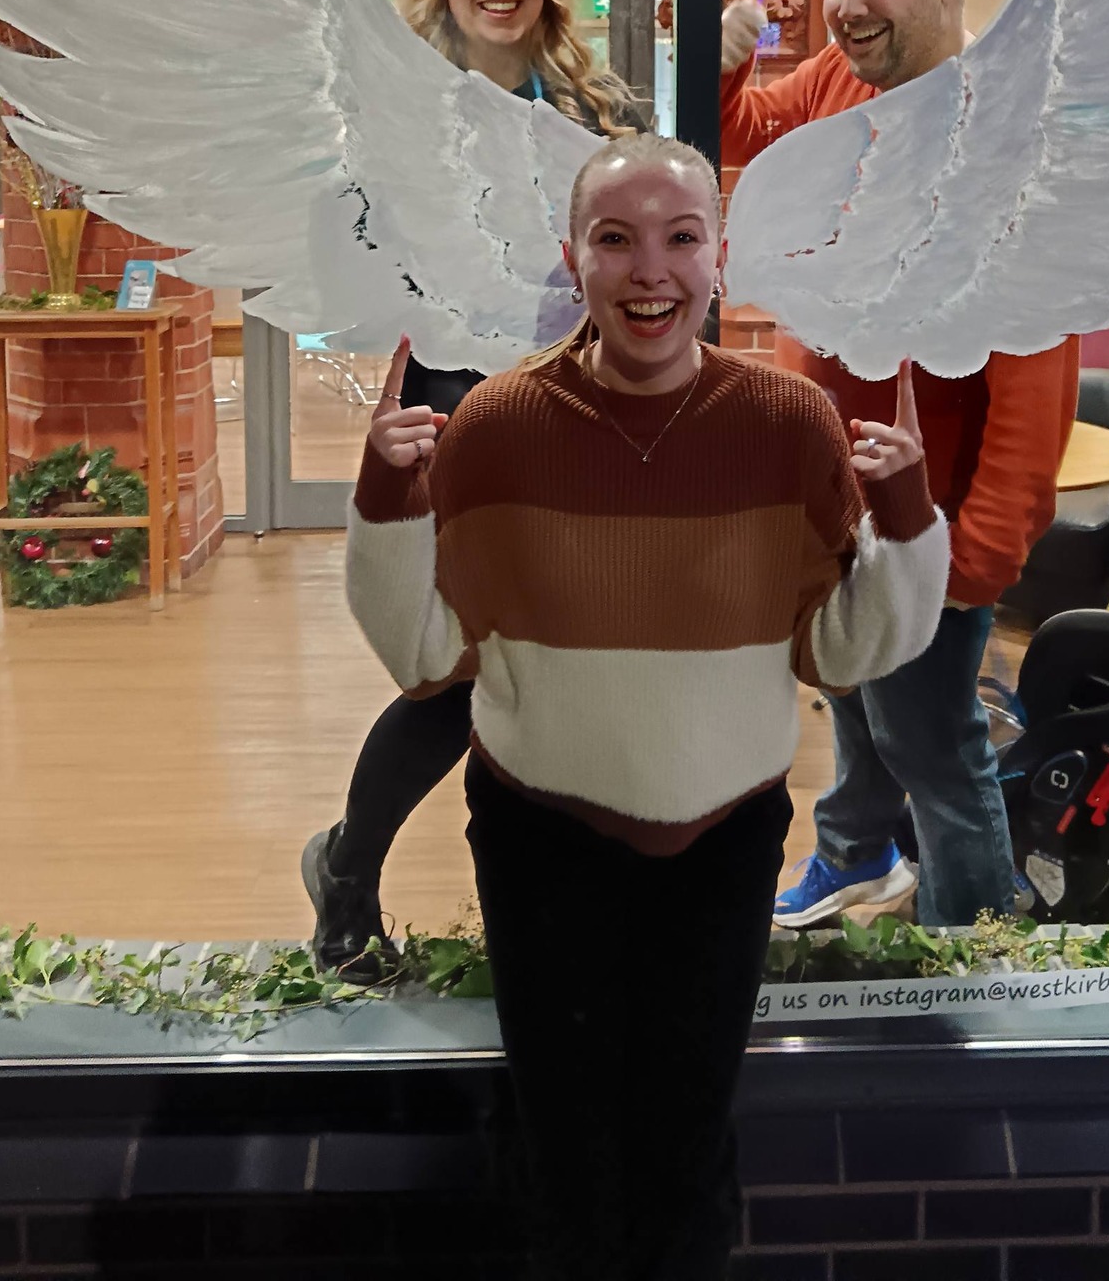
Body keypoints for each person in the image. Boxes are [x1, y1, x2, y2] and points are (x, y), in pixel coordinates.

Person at [346, 130, 947, 1281]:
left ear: (720, 256)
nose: (650, 269)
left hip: (726, 840)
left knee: (686, 1137)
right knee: (563, 1141)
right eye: (616, 239)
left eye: (680, 237)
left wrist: (907, 520)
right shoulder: (498, 425)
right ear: (573, 256)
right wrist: (385, 500)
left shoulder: (788, 423)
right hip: (541, 835)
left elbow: (842, 650)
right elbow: (424, 658)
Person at [303, 0, 643, 982]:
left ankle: (536, 906)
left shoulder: (601, 111)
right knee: (453, 674)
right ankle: (348, 874)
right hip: (456, 419)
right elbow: (346, 250)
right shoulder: (400, 111)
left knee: (557, 674)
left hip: (586, 420)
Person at [720, 0, 1079, 930]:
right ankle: (855, 854)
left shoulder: (1007, 137)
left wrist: (973, 557)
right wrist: (730, 54)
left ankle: (971, 954)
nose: (847, 6)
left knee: (935, 748)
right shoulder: (838, 78)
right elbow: (747, 129)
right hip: (841, 504)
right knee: (859, 701)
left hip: (929, 521)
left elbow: (1034, 371)